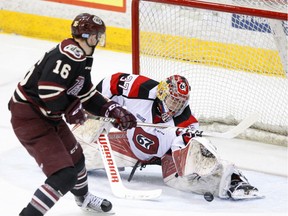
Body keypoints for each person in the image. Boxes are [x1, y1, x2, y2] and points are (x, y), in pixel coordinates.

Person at [8, 14, 137, 216]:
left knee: (76, 159)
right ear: (89, 36)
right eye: (97, 36)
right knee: (64, 175)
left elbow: (85, 93)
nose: (98, 40)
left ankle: (84, 199)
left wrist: (111, 109)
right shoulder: (70, 55)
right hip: (31, 117)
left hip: (48, 115)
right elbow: (48, 91)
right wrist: (70, 109)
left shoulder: (82, 57)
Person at [83, 72, 261, 200]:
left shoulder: (186, 122)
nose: (176, 106)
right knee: (84, 150)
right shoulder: (140, 88)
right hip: (129, 146)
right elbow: (111, 82)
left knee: (181, 180)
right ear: (162, 93)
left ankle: (231, 179)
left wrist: (192, 149)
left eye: (181, 102)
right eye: (173, 100)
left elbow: (182, 156)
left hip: (165, 156)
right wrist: (101, 109)